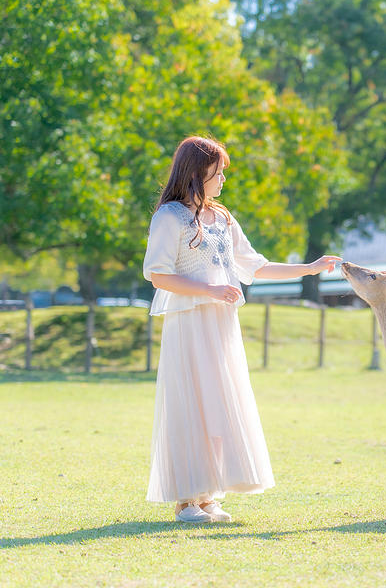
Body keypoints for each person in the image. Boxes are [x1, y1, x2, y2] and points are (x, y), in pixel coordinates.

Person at [142, 136, 341, 523]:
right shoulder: (169, 216)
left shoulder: (223, 217)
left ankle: (209, 492)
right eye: (217, 174)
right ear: (196, 173)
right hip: (190, 322)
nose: (222, 181)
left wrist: (309, 268)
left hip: (221, 325)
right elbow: (157, 274)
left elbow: (255, 266)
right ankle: (187, 499)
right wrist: (210, 289)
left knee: (219, 403)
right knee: (192, 404)